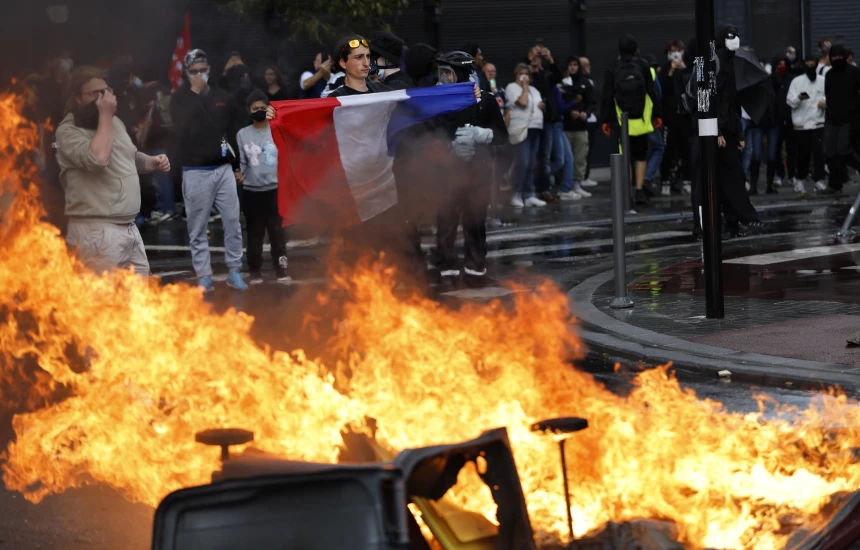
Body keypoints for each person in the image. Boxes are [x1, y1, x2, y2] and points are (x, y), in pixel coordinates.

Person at [55, 66, 171, 275]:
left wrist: (151, 161)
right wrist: (105, 115)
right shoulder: (68, 131)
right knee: (101, 304)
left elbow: (128, 156)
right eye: (94, 93)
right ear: (77, 98)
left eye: (105, 91)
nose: (102, 99)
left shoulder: (113, 122)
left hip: (128, 228)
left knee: (139, 303)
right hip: (96, 232)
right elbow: (98, 158)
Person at [170, 48, 248, 292]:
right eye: (194, 72)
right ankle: (204, 275)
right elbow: (181, 130)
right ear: (186, 73)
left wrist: (238, 166)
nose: (199, 75)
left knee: (233, 221)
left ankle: (234, 271)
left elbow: (238, 128)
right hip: (194, 170)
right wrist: (194, 92)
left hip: (223, 167)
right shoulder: (179, 98)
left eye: (203, 71)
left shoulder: (223, 95)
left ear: (209, 70)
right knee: (197, 226)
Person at [431, 51, 508, 287]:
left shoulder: (485, 100)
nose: (443, 78)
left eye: (448, 73)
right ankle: (446, 270)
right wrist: (448, 146)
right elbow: (427, 133)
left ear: (463, 74)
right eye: (441, 73)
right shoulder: (437, 100)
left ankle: (475, 270)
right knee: (446, 221)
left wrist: (482, 135)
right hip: (447, 174)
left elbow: (503, 137)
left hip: (478, 173)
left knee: (475, 222)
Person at [600, 35, 663, 205]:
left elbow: (606, 96)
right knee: (641, 155)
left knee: (624, 155)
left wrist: (605, 120)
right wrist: (658, 115)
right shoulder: (644, 66)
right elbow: (653, 92)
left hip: (621, 120)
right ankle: (640, 190)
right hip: (641, 120)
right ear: (636, 49)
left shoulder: (613, 68)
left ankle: (626, 191)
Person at [712, 25, 762, 232]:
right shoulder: (718, 64)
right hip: (721, 131)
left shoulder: (732, 63)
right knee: (732, 176)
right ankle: (746, 217)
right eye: (731, 36)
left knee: (729, 177)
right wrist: (717, 131)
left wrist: (738, 132)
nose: (736, 40)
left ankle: (733, 220)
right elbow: (713, 101)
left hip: (729, 129)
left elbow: (734, 102)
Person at [237, 90, 289, 284]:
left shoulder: (278, 128)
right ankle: (255, 272)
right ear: (248, 111)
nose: (259, 111)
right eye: (254, 108)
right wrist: (238, 174)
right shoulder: (242, 134)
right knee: (254, 235)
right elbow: (241, 162)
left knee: (278, 234)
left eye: (262, 108)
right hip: (252, 192)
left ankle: (282, 270)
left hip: (276, 190)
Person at [505, 63, 546, 208]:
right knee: (522, 162)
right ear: (516, 75)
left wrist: (542, 106)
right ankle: (515, 194)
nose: (525, 77)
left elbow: (539, 104)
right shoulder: (512, 88)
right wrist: (524, 87)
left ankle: (529, 194)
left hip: (536, 128)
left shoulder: (534, 90)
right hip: (521, 129)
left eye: (527, 74)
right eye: (521, 73)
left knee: (532, 163)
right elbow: (522, 103)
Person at [786, 55, 827, 195]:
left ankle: (819, 180)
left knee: (819, 154)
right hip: (801, 125)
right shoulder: (797, 81)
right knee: (803, 155)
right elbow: (789, 100)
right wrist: (799, 98)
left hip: (818, 122)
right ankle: (800, 180)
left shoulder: (822, 81)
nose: (810, 65)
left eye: (813, 62)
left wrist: (824, 102)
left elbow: (829, 95)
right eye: (808, 62)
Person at [822, 44, 860, 194]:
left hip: (850, 118)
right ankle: (835, 184)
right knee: (830, 152)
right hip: (833, 118)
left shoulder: (854, 72)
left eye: (839, 56)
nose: (837, 59)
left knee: (843, 150)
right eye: (834, 56)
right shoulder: (830, 74)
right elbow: (829, 95)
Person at [562, 56, 596, 194]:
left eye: (575, 65)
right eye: (570, 64)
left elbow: (591, 102)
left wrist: (585, 114)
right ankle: (566, 185)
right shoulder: (563, 82)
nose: (572, 67)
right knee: (566, 158)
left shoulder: (585, 82)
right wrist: (569, 112)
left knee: (580, 157)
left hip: (581, 126)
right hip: (566, 126)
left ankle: (577, 184)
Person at [578, 56, 600, 187]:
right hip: (585, 120)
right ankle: (581, 177)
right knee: (583, 151)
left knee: (588, 149)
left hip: (591, 119)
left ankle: (585, 175)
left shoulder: (589, 81)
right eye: (587, 65)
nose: (589, 68)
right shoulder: (582, 82)